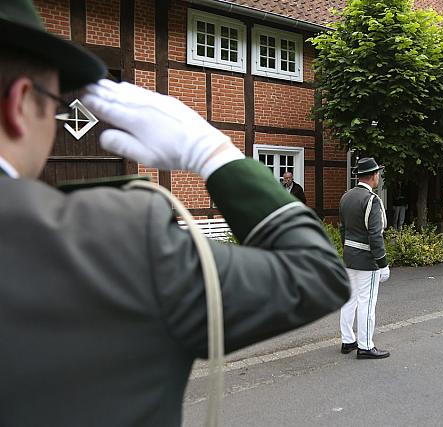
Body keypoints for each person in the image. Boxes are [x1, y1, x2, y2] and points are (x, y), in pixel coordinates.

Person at [0, 2, 349, 426]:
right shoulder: (117, 239)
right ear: (20, 103)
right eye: (55, 103)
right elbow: (316, 273)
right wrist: (213, 151)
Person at [339, 157, 391, 359]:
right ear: (373, 175)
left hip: (349, 256)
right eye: (378, 173)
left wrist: (347, 250)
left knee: (349, 299)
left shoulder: (346, 197)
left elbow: (343, 229)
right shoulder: (371, 200)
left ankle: (347, 340)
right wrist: (383, 263)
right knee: (367, 302)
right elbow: (375, 235)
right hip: (367, 260)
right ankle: (365, 345)